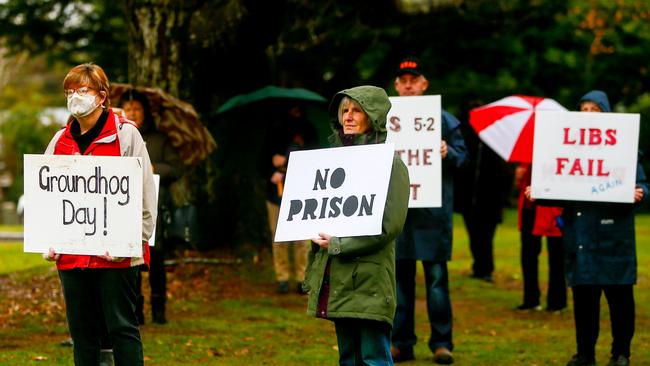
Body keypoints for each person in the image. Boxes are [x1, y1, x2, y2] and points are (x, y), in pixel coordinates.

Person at [44, 63, 157, 365]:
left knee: (122, 327)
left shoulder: (127, 136)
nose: (74, 97)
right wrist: (48, 238)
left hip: (116, 254)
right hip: (73, 255)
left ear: (102, 95)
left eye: (82, 90)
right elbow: (48, 195)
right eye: (69, 91)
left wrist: (135, 241)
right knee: (82, 333)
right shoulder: (59, 141)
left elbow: (145, 193)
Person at [525, 90, 647, 366]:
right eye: (583, 109)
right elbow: (557, 189)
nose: (588, 114)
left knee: (620, 299)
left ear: (606, 115)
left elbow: (643, 185)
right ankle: (585, 354)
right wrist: (539, 192)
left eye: (594, 109)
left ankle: (621, 353)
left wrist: (641, 193)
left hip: (614, 236)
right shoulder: (564, 150)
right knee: (584, 299)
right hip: (580, 236)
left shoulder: (625, 150)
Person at [305, 85, 410, 365]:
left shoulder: (391, 165)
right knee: (349, 359)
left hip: (370, 279)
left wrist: (339, 245)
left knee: (375, 358)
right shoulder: (329, 164)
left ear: (372, 116)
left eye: (356, 110)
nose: (348, 116)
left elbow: (390, 226)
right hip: (339, 275)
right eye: (344, 110)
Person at [390, 57, 467, 364]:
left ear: (424, 84)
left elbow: (463, 157)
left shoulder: (444, 120)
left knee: (436, 281)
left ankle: (441, 342)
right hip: (399, 214)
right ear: (396, 86)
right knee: (399, 281)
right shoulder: (385, 120)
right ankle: (401, 343)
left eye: (414, 79)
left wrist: (449, 152)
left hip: (433, 215)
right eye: (403, 80)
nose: (408, 85)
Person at [120, 91, 184, 323]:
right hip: (125, 207)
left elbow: (176, 168)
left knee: (156, 259)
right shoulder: (118, 137)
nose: (132, 112)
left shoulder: (159, 139)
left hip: (155, 204)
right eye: (128, 108)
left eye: (136, 108)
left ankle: (159, 309)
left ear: (145, 111)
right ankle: (136, 311)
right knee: (131, 258)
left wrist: (154, 169)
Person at [455, 100, 513, 282]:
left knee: (486, 235)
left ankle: (486, 268)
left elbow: (505, 171)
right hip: (468, 198)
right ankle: (479, 266)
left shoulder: (495, 138)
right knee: (474, 234)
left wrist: (503, 197)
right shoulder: (463, 137)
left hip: (491, 199)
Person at [264, 104, 315, 294]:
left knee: (302, 239)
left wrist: (289, 167)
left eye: (298, 110)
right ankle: (282, 278)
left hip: (301, 193)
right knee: (278, 237)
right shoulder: (274, 133)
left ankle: (303, 277)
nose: (295, 113)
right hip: (275, 195)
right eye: (291, 109)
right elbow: (262, 165)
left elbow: (315, 160)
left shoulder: (309, 131)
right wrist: (272, 171)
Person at [516, 163, 566, 312]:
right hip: (529, 210)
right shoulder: (526, 159)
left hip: (553, 211)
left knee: (557, 256)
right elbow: (522, 188)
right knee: (528, 256)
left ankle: (557, 301)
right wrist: (520, 178)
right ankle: (530, 299)